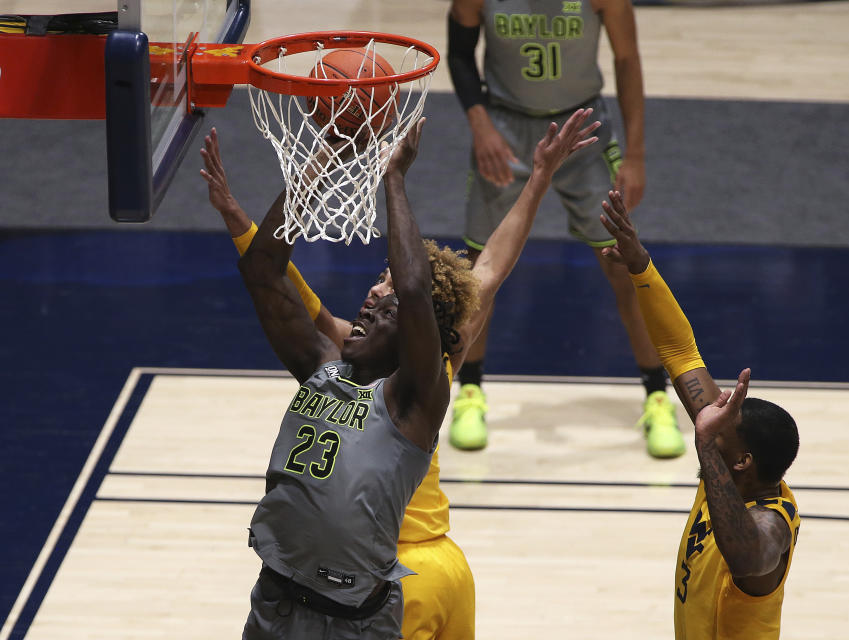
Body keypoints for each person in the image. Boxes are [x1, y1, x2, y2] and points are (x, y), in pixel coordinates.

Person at [201, 110, 600, 639]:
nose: (374, 293)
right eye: (380, 281)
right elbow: (276, 282)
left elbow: (473, 276)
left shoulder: (422, 377)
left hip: (393, 573)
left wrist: (398, 178)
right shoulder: (341, 358)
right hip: (426, 561)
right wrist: (246, 223)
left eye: (386, 288)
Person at [231, 118, 481, 638]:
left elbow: (413, 291)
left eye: (383, 311)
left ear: (415, 334)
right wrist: (321, 162)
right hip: (274, 603)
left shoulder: (415, 401)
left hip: (353, 623)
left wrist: (394, 179)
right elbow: (263, 270)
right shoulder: (322, 367)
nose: (366, 309)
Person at [446, 0, 684, 458]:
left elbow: (627, 59)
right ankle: (469, 391)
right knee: (479, 269)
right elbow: (459, 52)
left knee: (622, 265)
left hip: (584, 127)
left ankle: (657, 395)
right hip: (505, 125)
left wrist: (635, 154)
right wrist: (481, 128)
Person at [599, 191, 801, 639]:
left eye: (728, 419)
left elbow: (747, 556)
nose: (716, 409)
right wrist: (640, 264)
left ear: (742, 459)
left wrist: (706, 443)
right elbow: (679, 350)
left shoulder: (774, 521)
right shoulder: (730, 464)